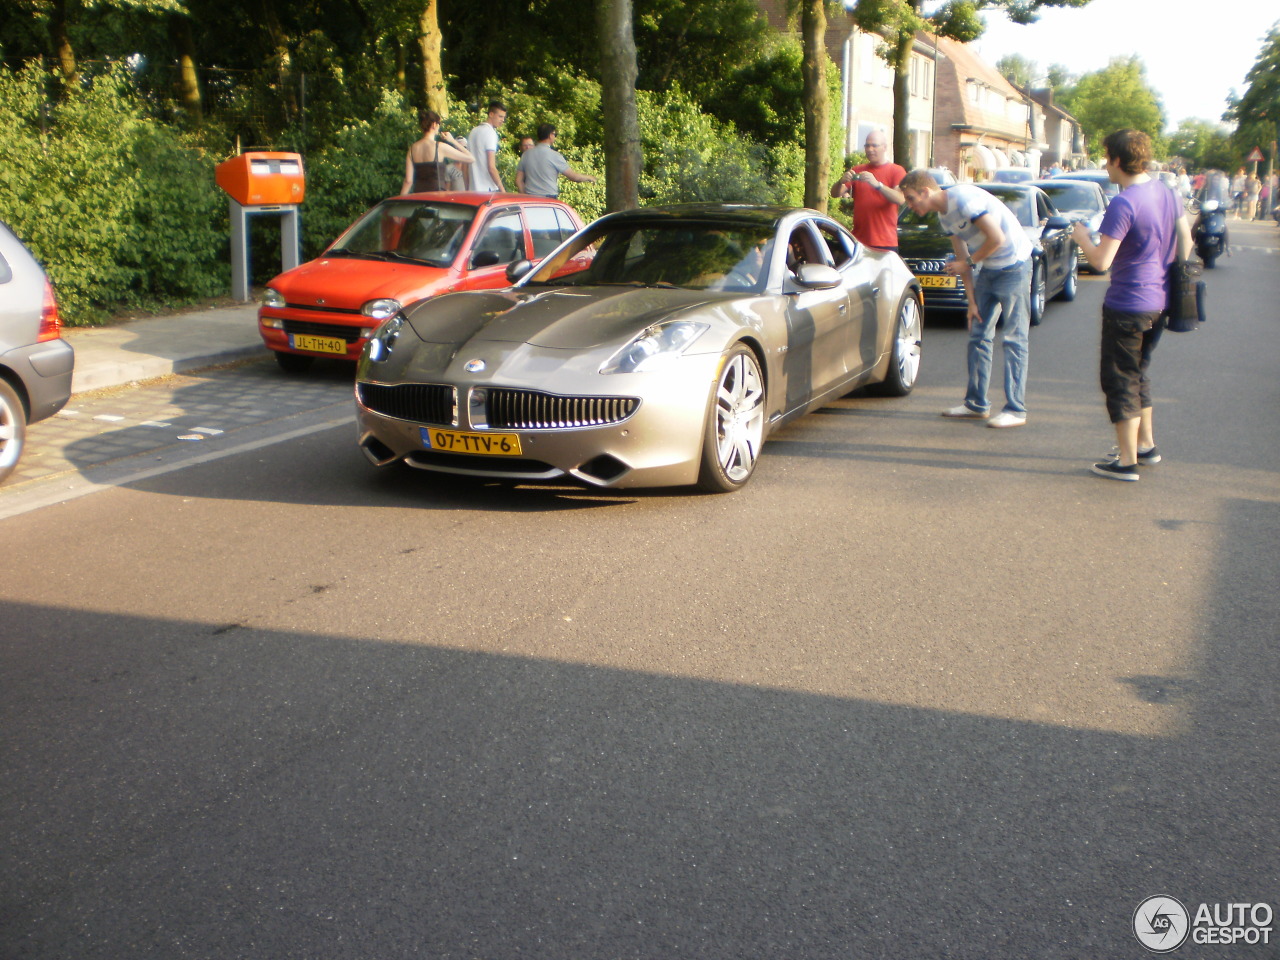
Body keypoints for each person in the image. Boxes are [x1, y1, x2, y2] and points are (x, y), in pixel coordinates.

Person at [1071, 129, 1192, 482]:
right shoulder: (1166, 193)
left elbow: (1101, 262)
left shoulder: (1124, 203)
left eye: (1107, 157)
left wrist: (1082, 238)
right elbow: (1184, 238)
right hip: (1161, 300)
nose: (1105, 165)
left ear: (1119, 160)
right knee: (1139, 373)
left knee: (1120, 378)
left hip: (1128, 303)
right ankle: (1145, 446)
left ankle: (1126, 461)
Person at [900, 168, 1033, 428]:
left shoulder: (963, 199)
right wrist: (971, 302)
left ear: (926, 191)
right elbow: (962, 261)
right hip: (989, 269)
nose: (909, 205)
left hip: (1014, 266)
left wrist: (969, 262)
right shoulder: (944, 217)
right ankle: (976, 404)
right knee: (978, 334)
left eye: (911, 198)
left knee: (1014, 339)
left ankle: (1016, 409)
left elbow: (997, 238)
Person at [829, 130, 906, 251]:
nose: (870, 149)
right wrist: (841, 182)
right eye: (867, 145)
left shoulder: (896, 171)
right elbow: (834, 194)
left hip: (885, 242)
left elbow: (900, 199)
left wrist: (877, 185)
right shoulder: (858, 170)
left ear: (884, 147)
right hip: (859, 241)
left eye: (874, 145)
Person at [400, 110, 474, 195]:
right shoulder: (440, 147)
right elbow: (471, 158)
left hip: (419, 196)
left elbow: (408, 181)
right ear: (434, 124)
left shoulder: (412, 149)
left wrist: (399, 202)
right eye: (439, 123)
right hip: (437, 197)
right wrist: (453, 141)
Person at [514, 124, 597, 198]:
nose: (555, 137)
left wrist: (525, 196)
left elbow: (518, 180)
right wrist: (589, 177)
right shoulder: (555, 156)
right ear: (550, 135)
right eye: (555, 134)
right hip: (548, 199)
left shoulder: (526, 155)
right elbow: (574, 177)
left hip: (530, 199)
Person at [466, 101, 507, 192]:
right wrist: (502, 190)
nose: (502, 120)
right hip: (488, 189)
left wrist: (467, 187)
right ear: (491, 114)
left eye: (504, 117)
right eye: (500, 116)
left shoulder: (473, 131)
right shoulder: (491, 133)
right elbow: (491, 167)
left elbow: (466, 164)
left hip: (473, 189)